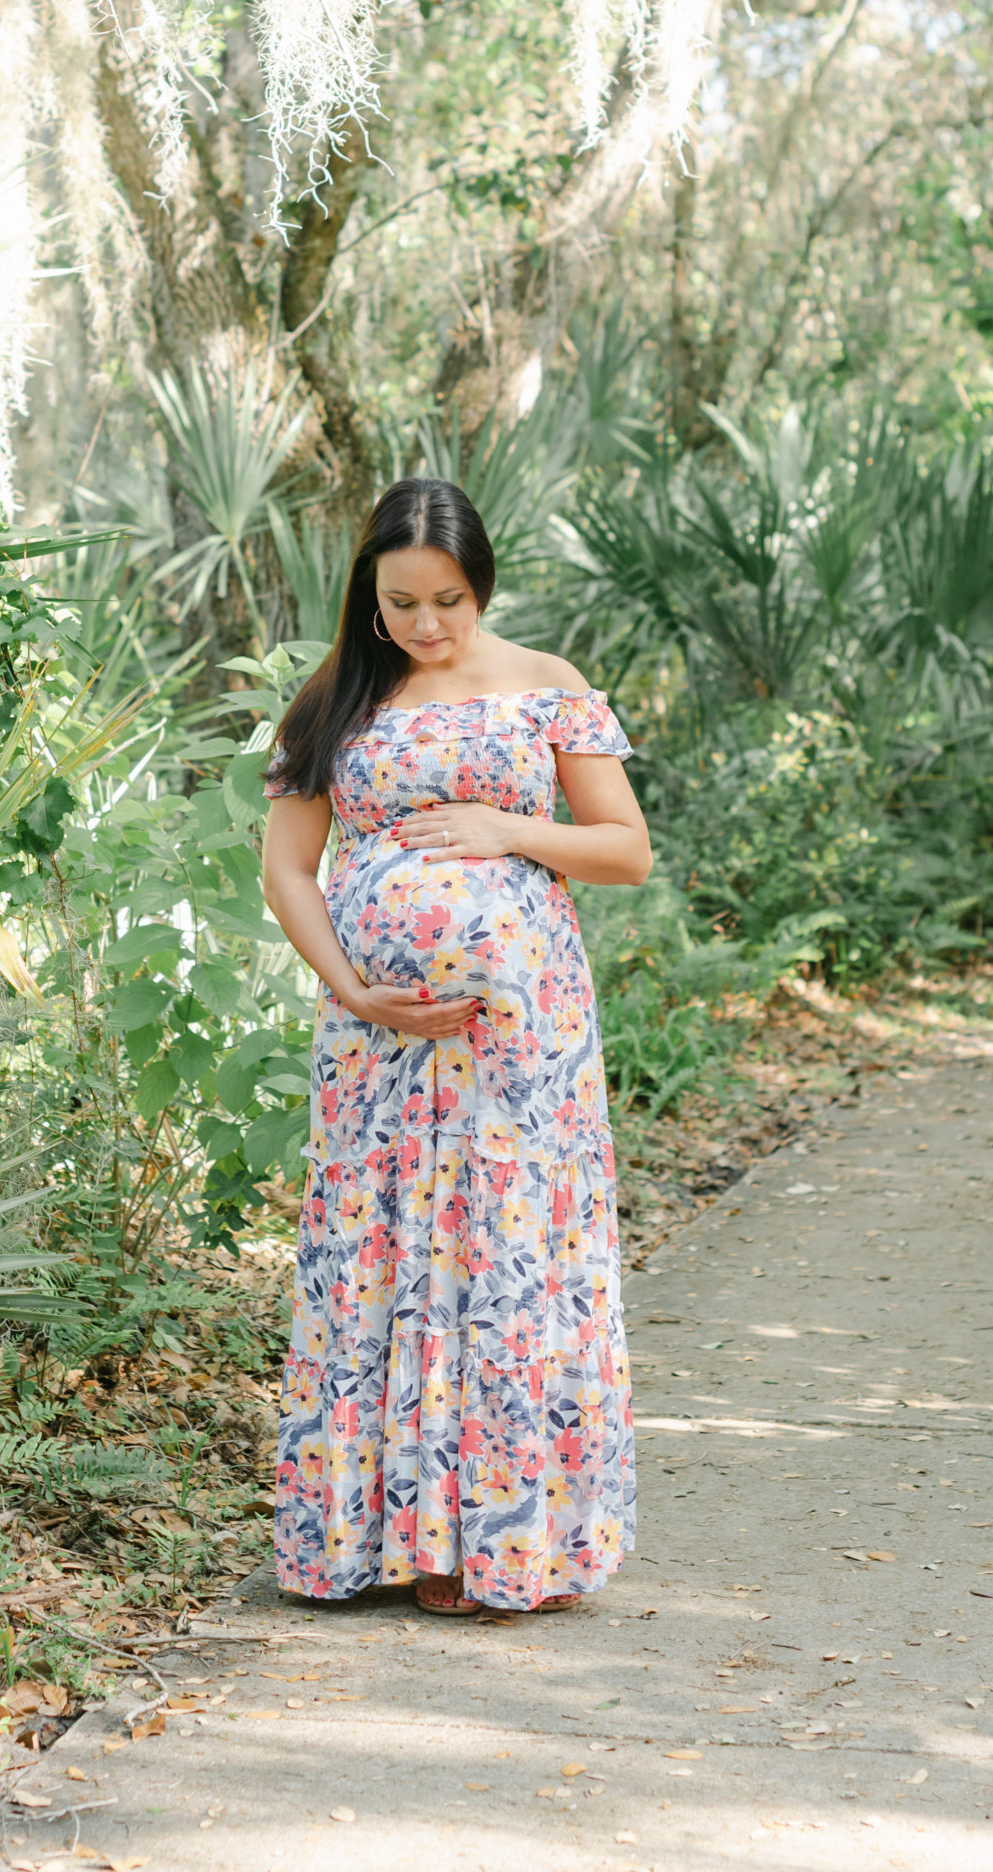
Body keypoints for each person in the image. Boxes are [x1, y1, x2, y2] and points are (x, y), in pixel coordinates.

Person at [260, 474, 651, 1620]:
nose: (427, 626)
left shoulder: (546, 688)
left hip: (520, 1048)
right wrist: (354, 991)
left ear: (479, 585)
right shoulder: (335, 699)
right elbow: (287, 867)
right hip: (377, 1046)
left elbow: (623, 849)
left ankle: (498, 1547)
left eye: (448, 599)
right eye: (400, 604)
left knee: (504, 1258)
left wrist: (500, 828)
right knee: (386, 1260)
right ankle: (391, 1543)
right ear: (365, 598)